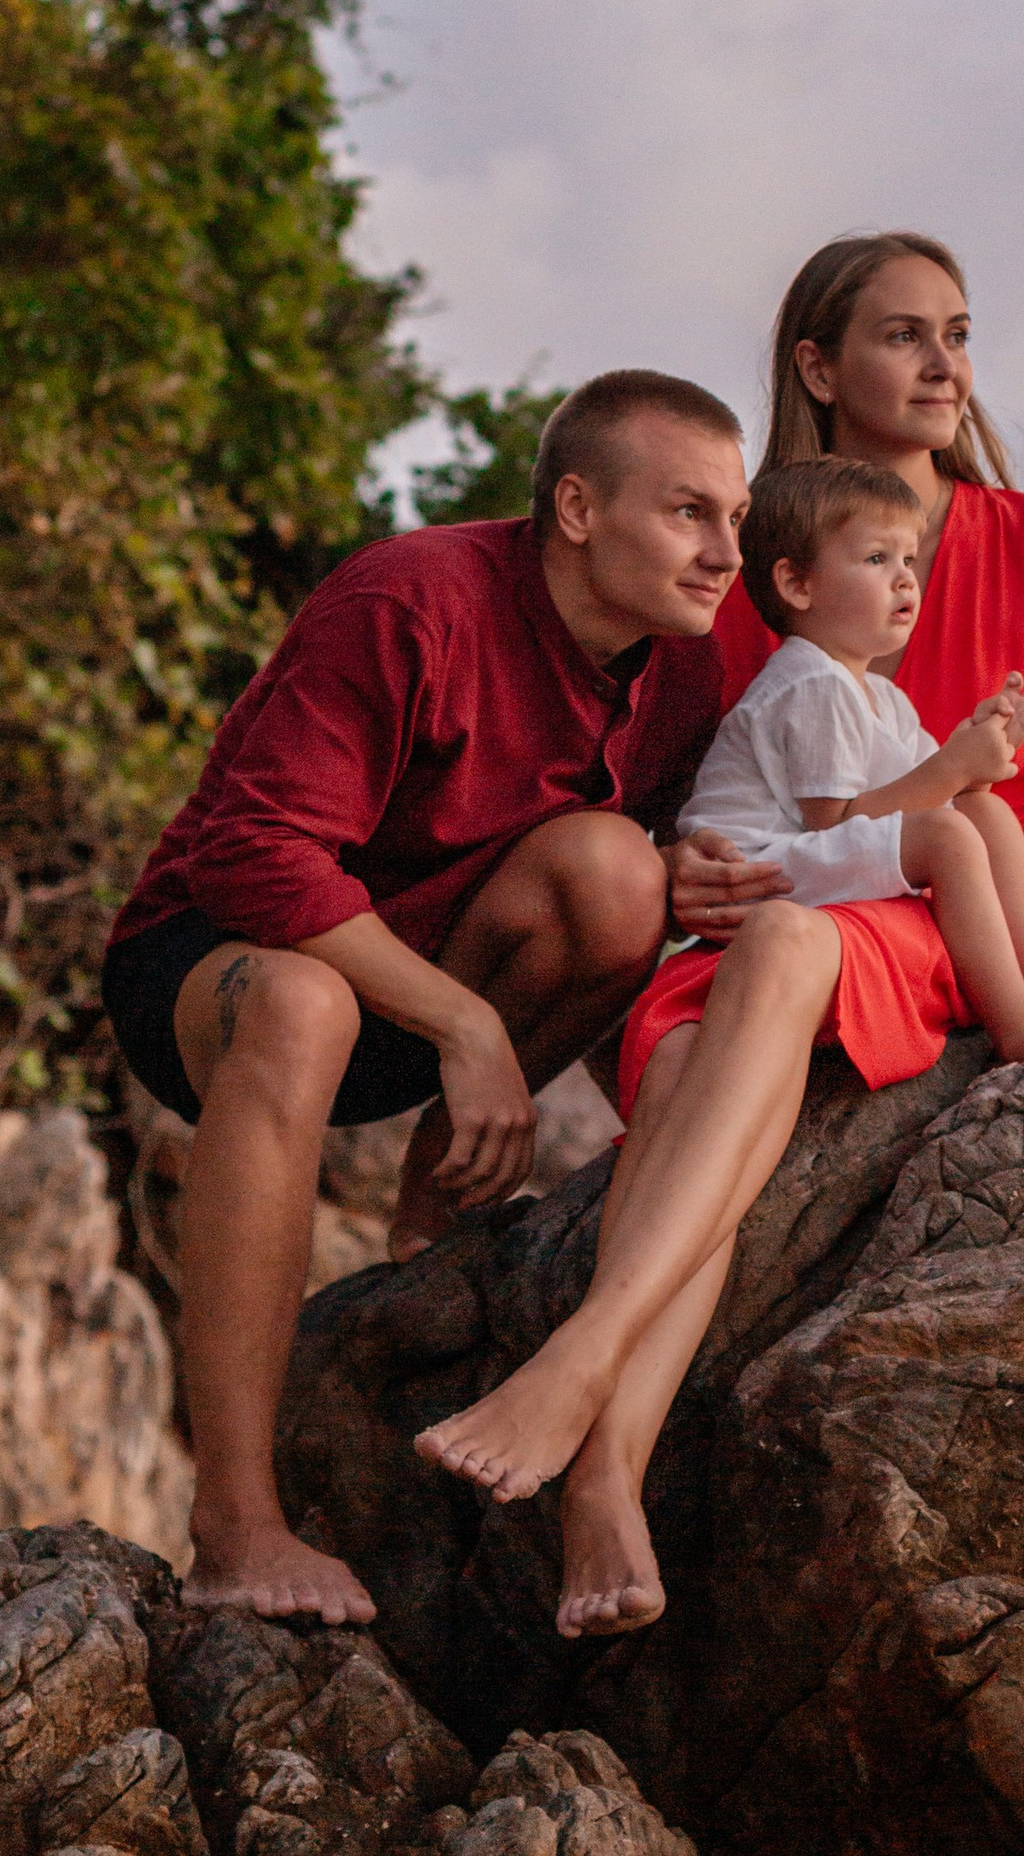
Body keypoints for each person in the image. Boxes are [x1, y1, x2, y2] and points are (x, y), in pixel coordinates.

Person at [419, 230, 1024, 1640]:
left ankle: (581, 1363)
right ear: (817, 365)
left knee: (785, 964)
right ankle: (603, 1475)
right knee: (692, 1079)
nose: (944, 364)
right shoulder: (737, 564)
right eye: (903, 335)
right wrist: (672, 871)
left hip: (943, 919)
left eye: (958, 334)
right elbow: (681, 788)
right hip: (778, 902)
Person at [100, 367, 750, 1626]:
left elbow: (623, 889)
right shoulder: (411, 597)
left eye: (733, 517)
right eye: (689, 513)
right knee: (304, 1005)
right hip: (217, 965)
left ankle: (431, 1212)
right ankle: (236, 1526)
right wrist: (466, 1025)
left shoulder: (684, 673)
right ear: (577, 509)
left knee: (623, 873)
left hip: (423, 988)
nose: (724, 553)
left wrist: (702, 876)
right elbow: (253, 856)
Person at [677, 454, 1024, 1061]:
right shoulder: (810, 683)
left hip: (803, 856)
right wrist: (955, 767)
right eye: (876, 559)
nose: (906, 579)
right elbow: (833, 821)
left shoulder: (881, 696)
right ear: (798, 585)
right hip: (756, 870)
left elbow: (949, 796)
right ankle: (1017, 1026)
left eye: (908, 559)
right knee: (946, 839)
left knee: (987, 817)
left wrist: (990, 744)